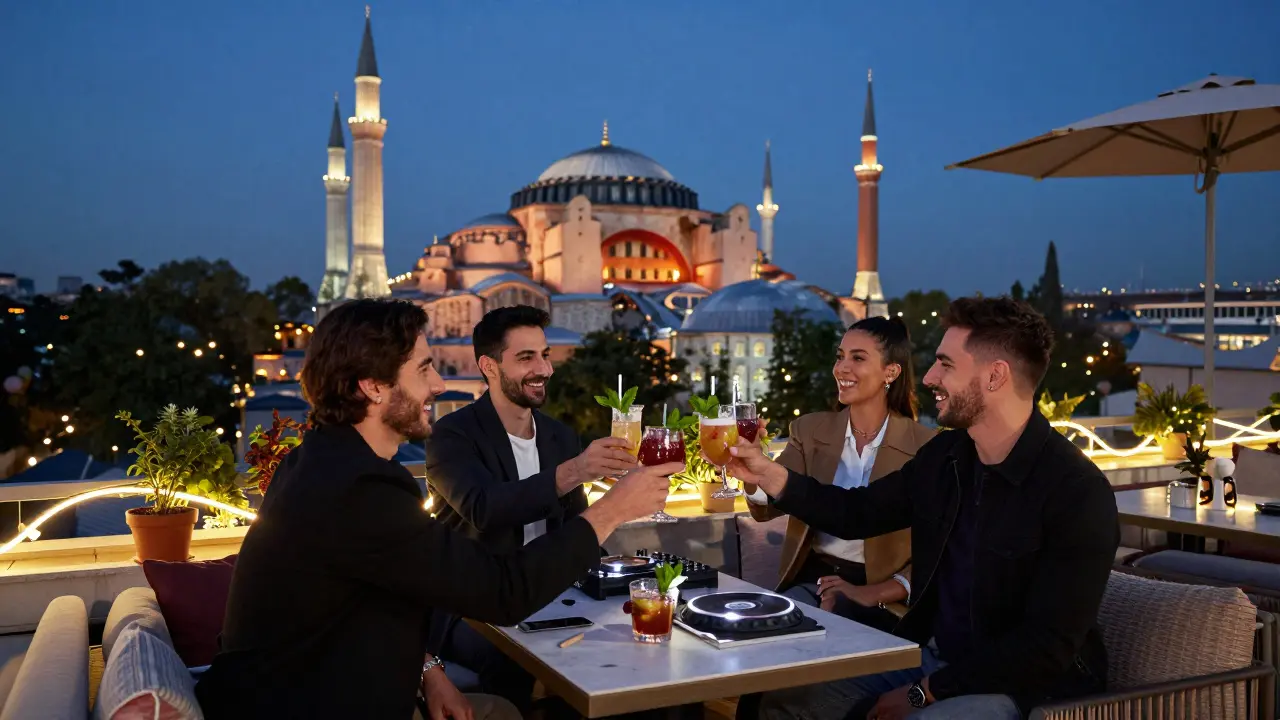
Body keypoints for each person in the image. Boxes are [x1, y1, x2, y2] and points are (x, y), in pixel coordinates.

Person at [194, 299, 683, 720]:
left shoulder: (320, 463)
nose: (439, 386)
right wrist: (611, 510)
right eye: (425, 369)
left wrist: (428, 671)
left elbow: (374, 599)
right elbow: (502, 593)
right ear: (373, 386)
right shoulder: (359, 488)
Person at [726, 298, 1119, 720]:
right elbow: (858, 513)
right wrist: (767, 474)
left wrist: (923, 693)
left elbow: (1042, 650)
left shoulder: (1076, 492)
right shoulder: (947, 458)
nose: (929, 377)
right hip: (931, 659)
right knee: (780, 694)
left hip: (1028, 690)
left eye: (946, 365)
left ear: (995, 376)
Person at [424, 305, 637, 709]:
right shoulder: (452, 435)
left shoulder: (560, 435)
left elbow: (578, 528)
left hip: (551, 591)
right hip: (473, 606)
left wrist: (623, 576)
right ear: (488, 366)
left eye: (545, 355)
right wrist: (575, 470)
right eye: (526, 358)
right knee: (520, 665)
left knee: (632, 643)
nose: (544, 369)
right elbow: (483, 508)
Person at [745, 316, 934, 634]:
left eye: (858, 358)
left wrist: (878, 592)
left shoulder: (926, 447)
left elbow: (938, 552)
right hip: (812, 583)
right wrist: (751, 469)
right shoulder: (809, 429)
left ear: (891, 371)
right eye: (840, 356)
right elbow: (767, 507)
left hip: (884, 598)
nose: (841, 368)